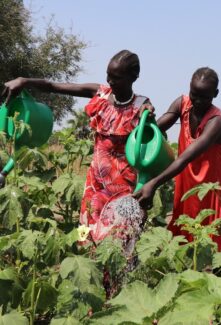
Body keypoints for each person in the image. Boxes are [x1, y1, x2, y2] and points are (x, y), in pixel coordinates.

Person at [2, 50, 153, 243]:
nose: (111, 81)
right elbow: (53, 86)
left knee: (119, 240)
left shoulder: (142, 106)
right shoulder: (99, 93)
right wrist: (24, 81)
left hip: (123, 186)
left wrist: (148, 185)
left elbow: (152, 147)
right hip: (95, 183)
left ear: (134, 76)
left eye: (117, 77)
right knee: (86, 233)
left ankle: (122, 273)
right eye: (108, 75)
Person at [134, 67, 221, 251]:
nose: (197, 101)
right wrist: (146, 117)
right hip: (187, 183)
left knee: (215, 242)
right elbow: (156, 129)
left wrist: (154, 183)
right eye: (194, 94)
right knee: (184, 236)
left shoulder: (217, 121)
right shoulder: (182, 103)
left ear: (215, 94)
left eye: (204, 97)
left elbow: (184, 158)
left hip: (213, 187)